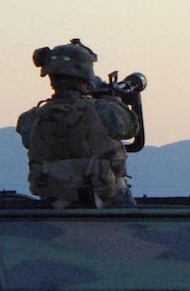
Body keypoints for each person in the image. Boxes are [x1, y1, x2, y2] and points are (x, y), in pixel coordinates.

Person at [16, 40, 142, 208]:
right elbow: (131, 127)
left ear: (51, 78)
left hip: (56, 208)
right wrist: (113, 99)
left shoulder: (29, 119)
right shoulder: (105, 111)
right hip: (109, 207)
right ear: (85, 77)